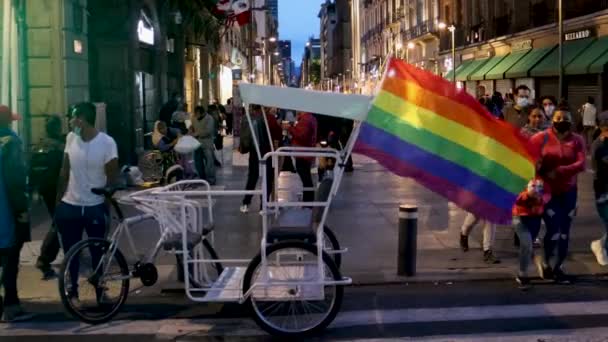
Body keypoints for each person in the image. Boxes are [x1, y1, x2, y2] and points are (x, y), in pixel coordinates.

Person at [54, 103, 119, 302]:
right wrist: (58, 203)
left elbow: (112, 177)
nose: (71, 121)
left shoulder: (107, 143)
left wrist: (105, 206)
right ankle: (72, 290)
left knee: (97, 251)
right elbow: (64, 172)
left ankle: (100, 290)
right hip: (70, 205)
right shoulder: (70, 138)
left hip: (95, 206)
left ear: (82, 119)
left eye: (73, 117)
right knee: (70, 253)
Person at [530, 108, 586, 284]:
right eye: (558, 117)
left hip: (569, 192)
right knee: (554, 229)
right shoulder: (540, 138)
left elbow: (582, 163)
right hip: (547, 192)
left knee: (565, 232)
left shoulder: (577, 140)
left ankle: (559, 266)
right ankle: (546, 262)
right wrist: (540, 171)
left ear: (571, 120)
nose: (561, 120)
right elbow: (529, 159)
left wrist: (561, 171)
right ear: (551, 119)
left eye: (565, 118)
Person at [0, 106, 33, 322]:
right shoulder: (11, 144)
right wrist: (22, 210)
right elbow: (16, 180)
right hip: (6, 214)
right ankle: (11, 307)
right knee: (10, 260)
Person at [35, 115, 66, 280]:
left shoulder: (40, 144)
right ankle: (44, 259)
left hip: (45, 189)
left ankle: (48, 258)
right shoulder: (60, 146)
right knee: (59, 222)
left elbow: (33, 168)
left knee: (58, 221)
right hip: (57, 189)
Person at [240, 105, 282, 213]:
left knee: (252, 177)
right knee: (267, 177)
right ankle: (263, 205)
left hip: (254, 151)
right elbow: (277, 132)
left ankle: (246, 203)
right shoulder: (268, 117)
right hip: (267, 150)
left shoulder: (248, 117)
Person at [512, 178, 548, 289]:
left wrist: (541, 199)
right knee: (527, 244)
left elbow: (549, 194)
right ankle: (522, 273)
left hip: (535, 218)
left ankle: (537, 261)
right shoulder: (521, 174)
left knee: (528, 245)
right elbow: (514, 197)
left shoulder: (544, 174)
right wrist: (527, 195)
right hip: (520, 217)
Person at [284, 112, 318, 202]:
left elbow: (302, 136)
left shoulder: (305, 119)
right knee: (306, 178)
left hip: (302, 154)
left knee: (306, 179)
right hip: (305, 153)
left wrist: (290, 128)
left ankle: (308, 202)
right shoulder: (310, 118)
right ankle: (308, 200)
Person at [590, 111, 608, 266]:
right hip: (604, 191)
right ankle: (600, 246)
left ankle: (601, 245)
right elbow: (599, 173)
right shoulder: (599, 145)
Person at [192, 106, 216, 185]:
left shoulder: (209, 119)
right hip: (197, 144)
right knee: (198, 162)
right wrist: (190, 131)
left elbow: (208, 131)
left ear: (201, 113)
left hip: (207, 143)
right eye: (195, 114)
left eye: (197, 114)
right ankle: (202, 178)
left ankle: (211, 179)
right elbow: (192, 127)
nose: (195, 115)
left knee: (209, 162)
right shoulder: (194, 118)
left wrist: (197, 134)